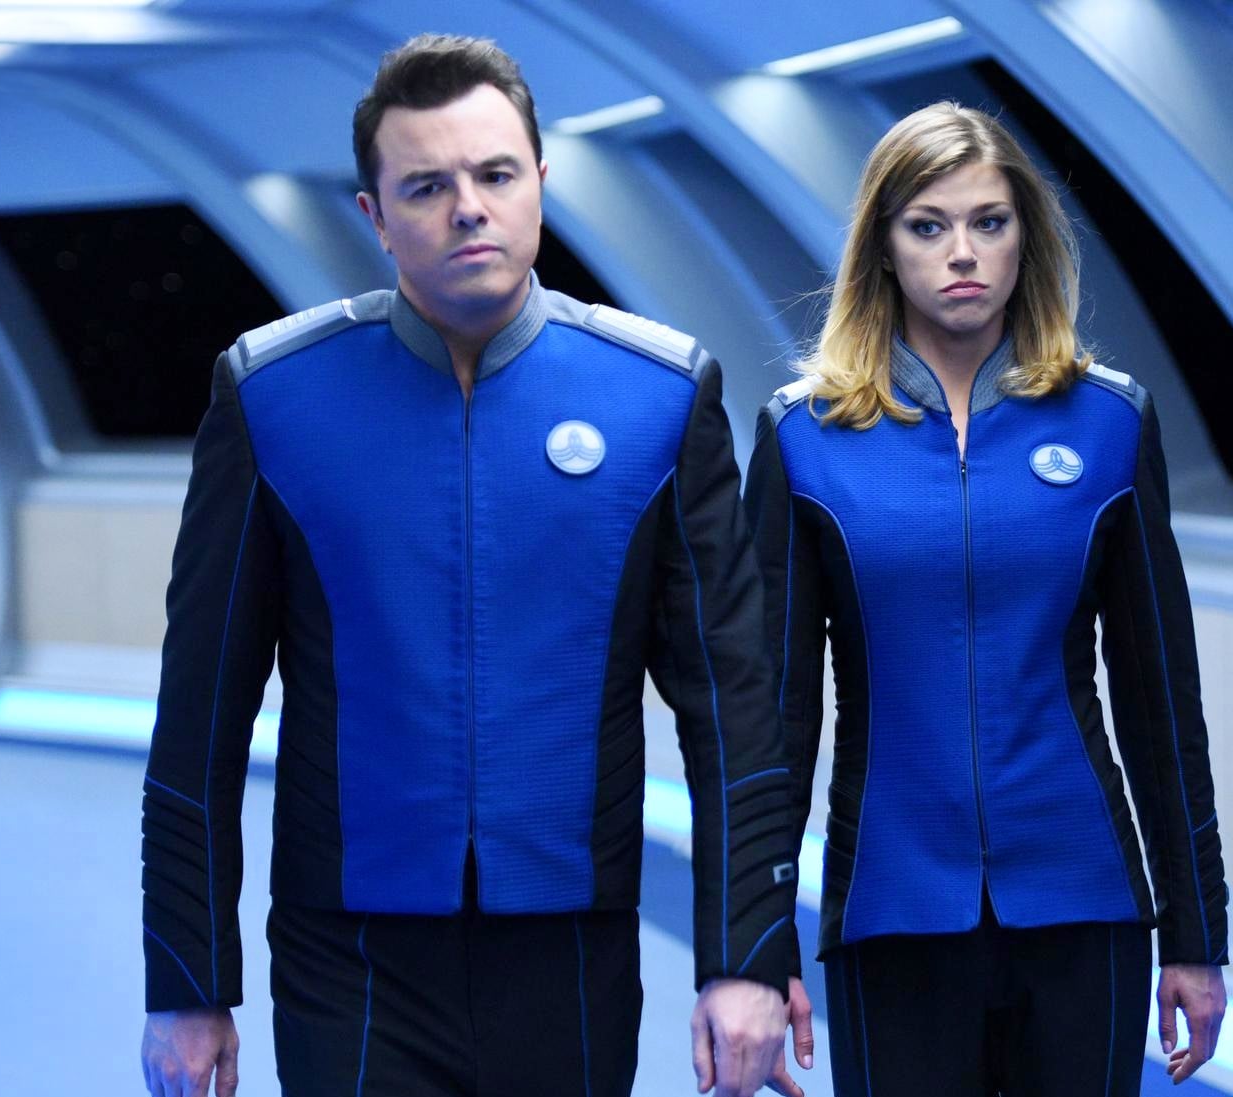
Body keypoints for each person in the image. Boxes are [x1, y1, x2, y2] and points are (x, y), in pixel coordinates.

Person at [136, 34, 807, 1097]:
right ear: (375, 214)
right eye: (427, 186)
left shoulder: (661, 397)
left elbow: (733, 708)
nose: (468, 209)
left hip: (572, 946)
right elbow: (199, 713)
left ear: (539, 179)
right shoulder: (271, 397)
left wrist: (748, 956)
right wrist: (184, 981)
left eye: (495, 175)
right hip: (346, 956)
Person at [742, 102, 1229, 1095]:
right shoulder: (804, 436)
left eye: (989, 222)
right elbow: (773, 720)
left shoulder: (1110, 422)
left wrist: (1197, 931)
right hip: (892, 905)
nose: (961, 252)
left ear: (1025, 239)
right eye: (928, 225)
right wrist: (755, 941)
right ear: (883, 248)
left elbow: (1160, 703)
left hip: (1085, 900)